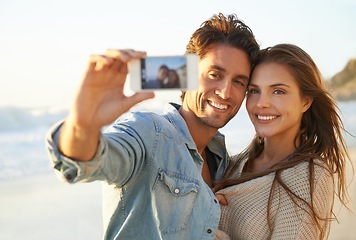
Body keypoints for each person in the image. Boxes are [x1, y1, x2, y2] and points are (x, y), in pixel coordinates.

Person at [46, 13, 259, 239]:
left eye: (238, 81)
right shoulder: (149, 132)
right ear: (185, 74)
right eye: (215, 74)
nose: (225, 92)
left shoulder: (221, 159)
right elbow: (86, 161)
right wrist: (84, 122)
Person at [213, 44, 351, 240]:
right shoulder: (235, 163)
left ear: (306, 101)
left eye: (278, 91)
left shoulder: (310, 176)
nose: (262, 103)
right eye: (253, 91)